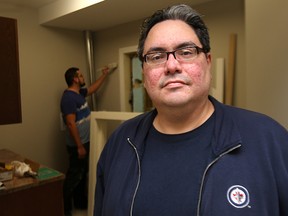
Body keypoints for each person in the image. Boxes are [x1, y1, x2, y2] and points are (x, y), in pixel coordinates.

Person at [93, 4, 288, 216]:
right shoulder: (119, 143)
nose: (171, 66)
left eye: (186, 52)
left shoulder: (270, 141)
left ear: (208, 62)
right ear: (145, 72)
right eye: (156, 56)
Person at [61, 66, 109, 216]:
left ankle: (81, 204)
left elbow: (92, 89)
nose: (83, 78)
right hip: (78, 145)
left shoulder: (78, 94)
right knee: (74, 176)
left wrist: (104, 75)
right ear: (75, 79)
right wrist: (79, 146)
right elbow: (70, 123)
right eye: (80, 76)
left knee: (82, 174)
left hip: (85, 142)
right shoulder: (68, 98)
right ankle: (65, 209)